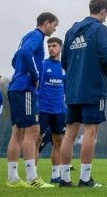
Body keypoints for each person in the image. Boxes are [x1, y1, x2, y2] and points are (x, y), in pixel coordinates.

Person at [59, 0, 107, 187]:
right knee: (91, 131)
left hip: (73, 89)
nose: (106, 17)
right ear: (103, 11)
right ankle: (85, 178)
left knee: (69, 134)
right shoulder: (100, 29)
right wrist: (106, 72)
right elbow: (106, 55)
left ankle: (64, 179)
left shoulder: (71, 31)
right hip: (93, 88)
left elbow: (64, 61)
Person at [6, 12, 59, 188]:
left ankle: (13, 178)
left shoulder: (27, 35)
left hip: (15, 87)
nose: (55, 28)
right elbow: (25, 53)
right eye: (54, 25)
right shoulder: (37, 36)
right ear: (47, 22)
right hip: (25, 89)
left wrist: (20, 71)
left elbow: (16, 59)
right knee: (33, 131)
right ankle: (32, 178)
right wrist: (34, 75)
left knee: (18, 133)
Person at [36, 37, 67, 183]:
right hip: (43, 109)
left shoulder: (64, 67)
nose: (50, 48)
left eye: (54, 46)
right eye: (48, 46)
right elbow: (35, 85)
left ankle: (55, 175)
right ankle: (33, 175)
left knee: (58, 142)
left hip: (60, 110)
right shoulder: (42, 65)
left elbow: (66, 90)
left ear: (60, 47)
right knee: (37, 141)